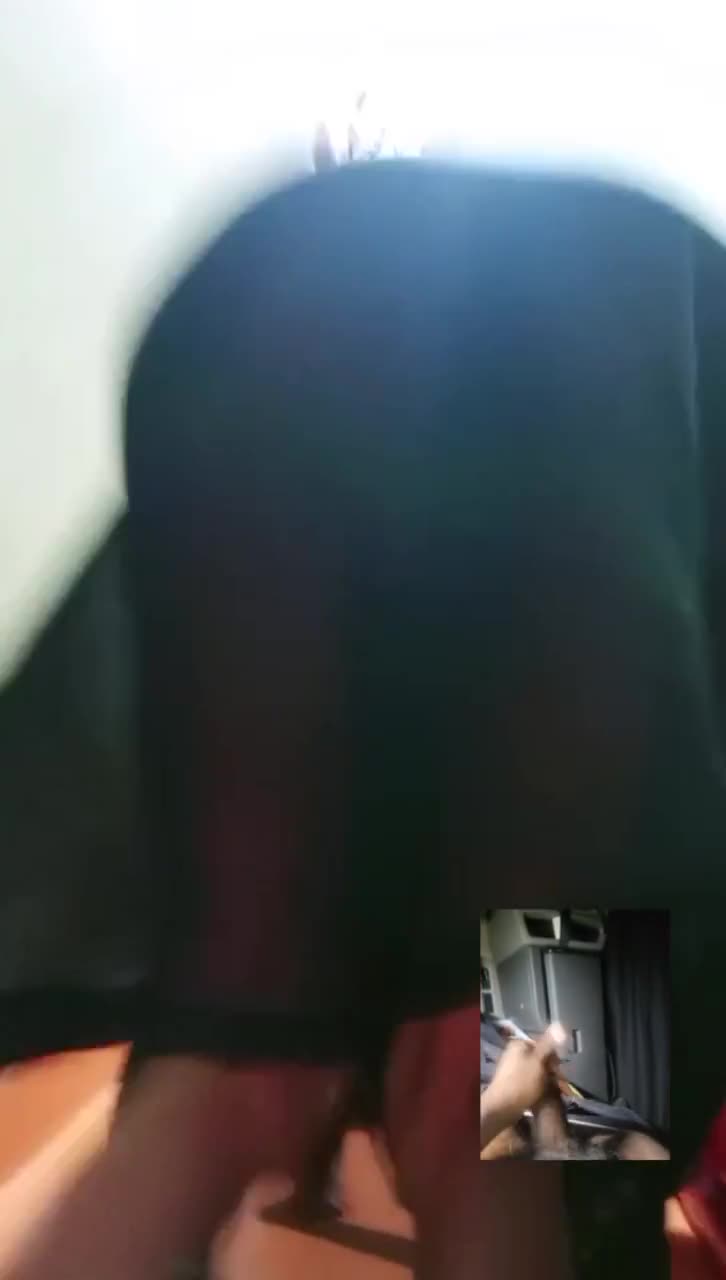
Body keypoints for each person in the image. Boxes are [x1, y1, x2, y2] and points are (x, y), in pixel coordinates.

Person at [4, 159, 726, 1280]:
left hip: (275, 278)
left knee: (224, 1077)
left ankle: (262, 1075)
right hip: (640, 333)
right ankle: (486, 1115)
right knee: (530, 1125)